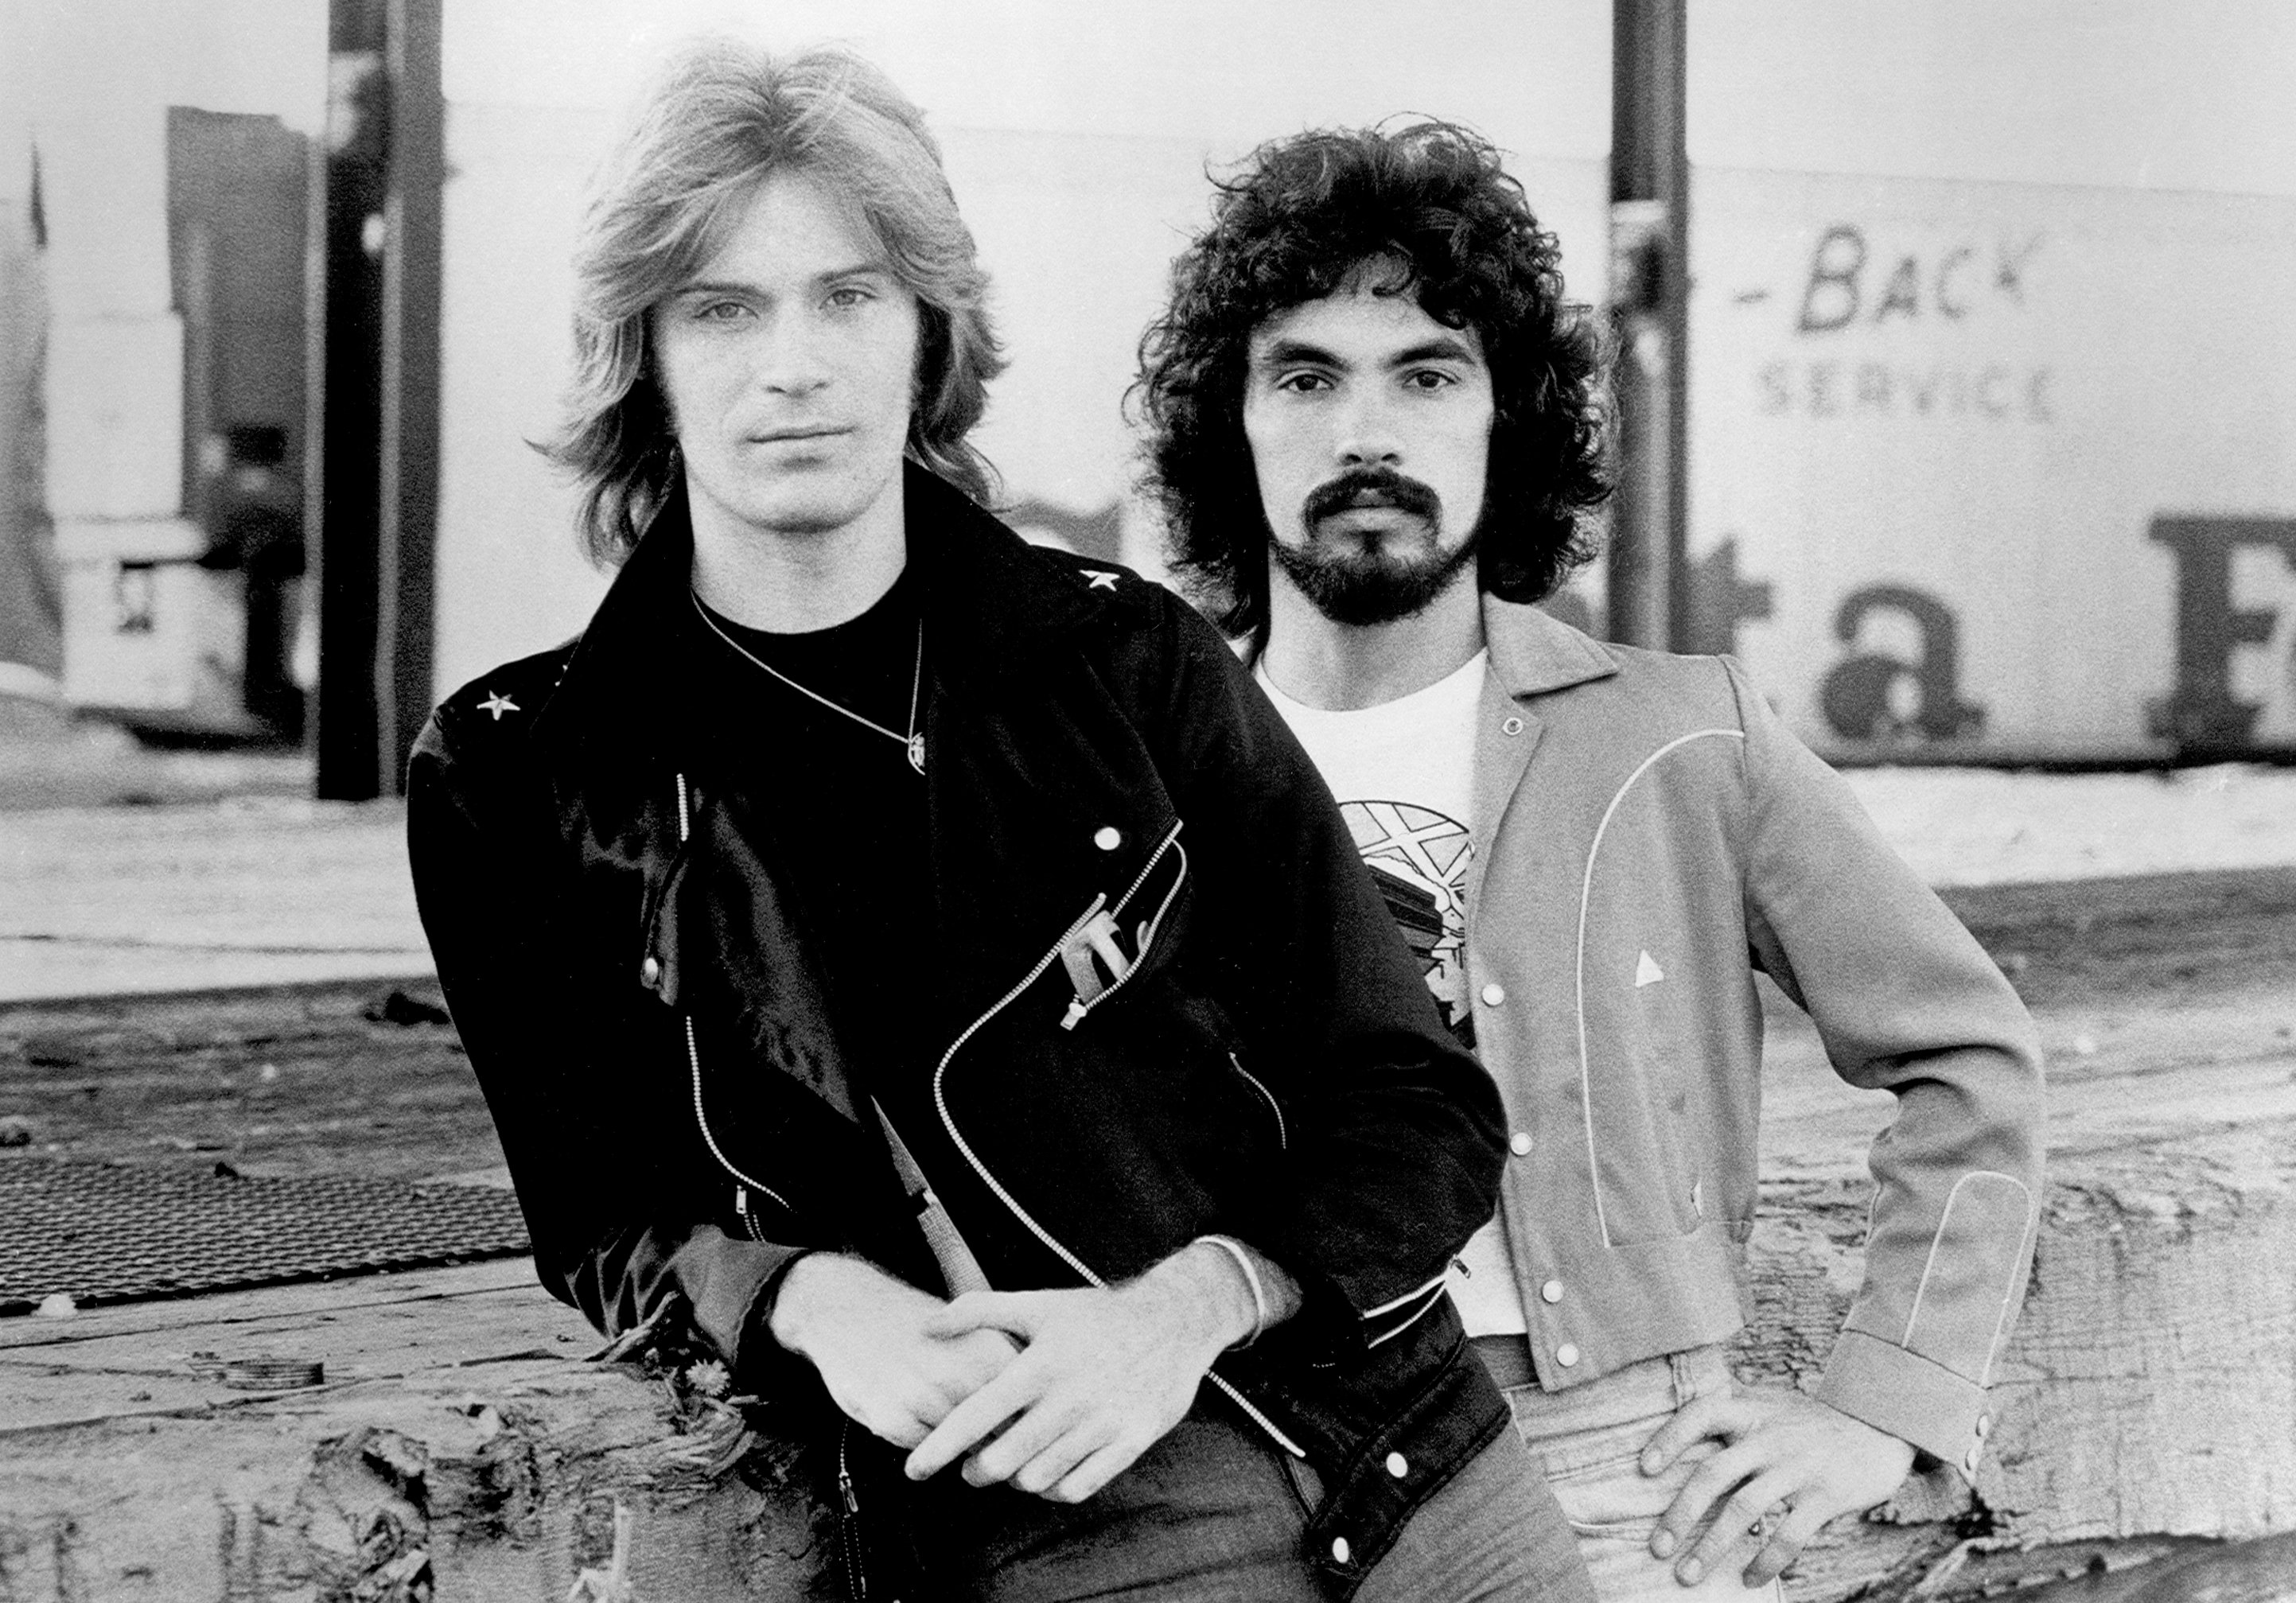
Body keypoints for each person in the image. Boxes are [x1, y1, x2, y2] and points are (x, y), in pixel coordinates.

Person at [408, 47, 1594, 1601]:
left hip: (1419, 1450)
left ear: (928, 336)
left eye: (849, 296)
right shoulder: (522, 772)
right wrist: (809, 1300)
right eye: (724, 307)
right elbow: (607, 1223)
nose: (794, 364)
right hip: (1080, 1527)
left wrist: (1193, 1307)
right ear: (646, 351)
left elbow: (1419, 1098)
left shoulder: (1126, 660)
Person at [1135, 121, 2048, 1600]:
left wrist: (1888, 1401)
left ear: (1511, 424)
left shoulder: (1688, 739)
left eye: (1430, 374)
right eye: (1305, 377)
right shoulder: (1144, 767)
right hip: (1232, 1447)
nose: (1369, 431)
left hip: (1622, 1458)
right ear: (1228, 430)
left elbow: (1972, 1058)